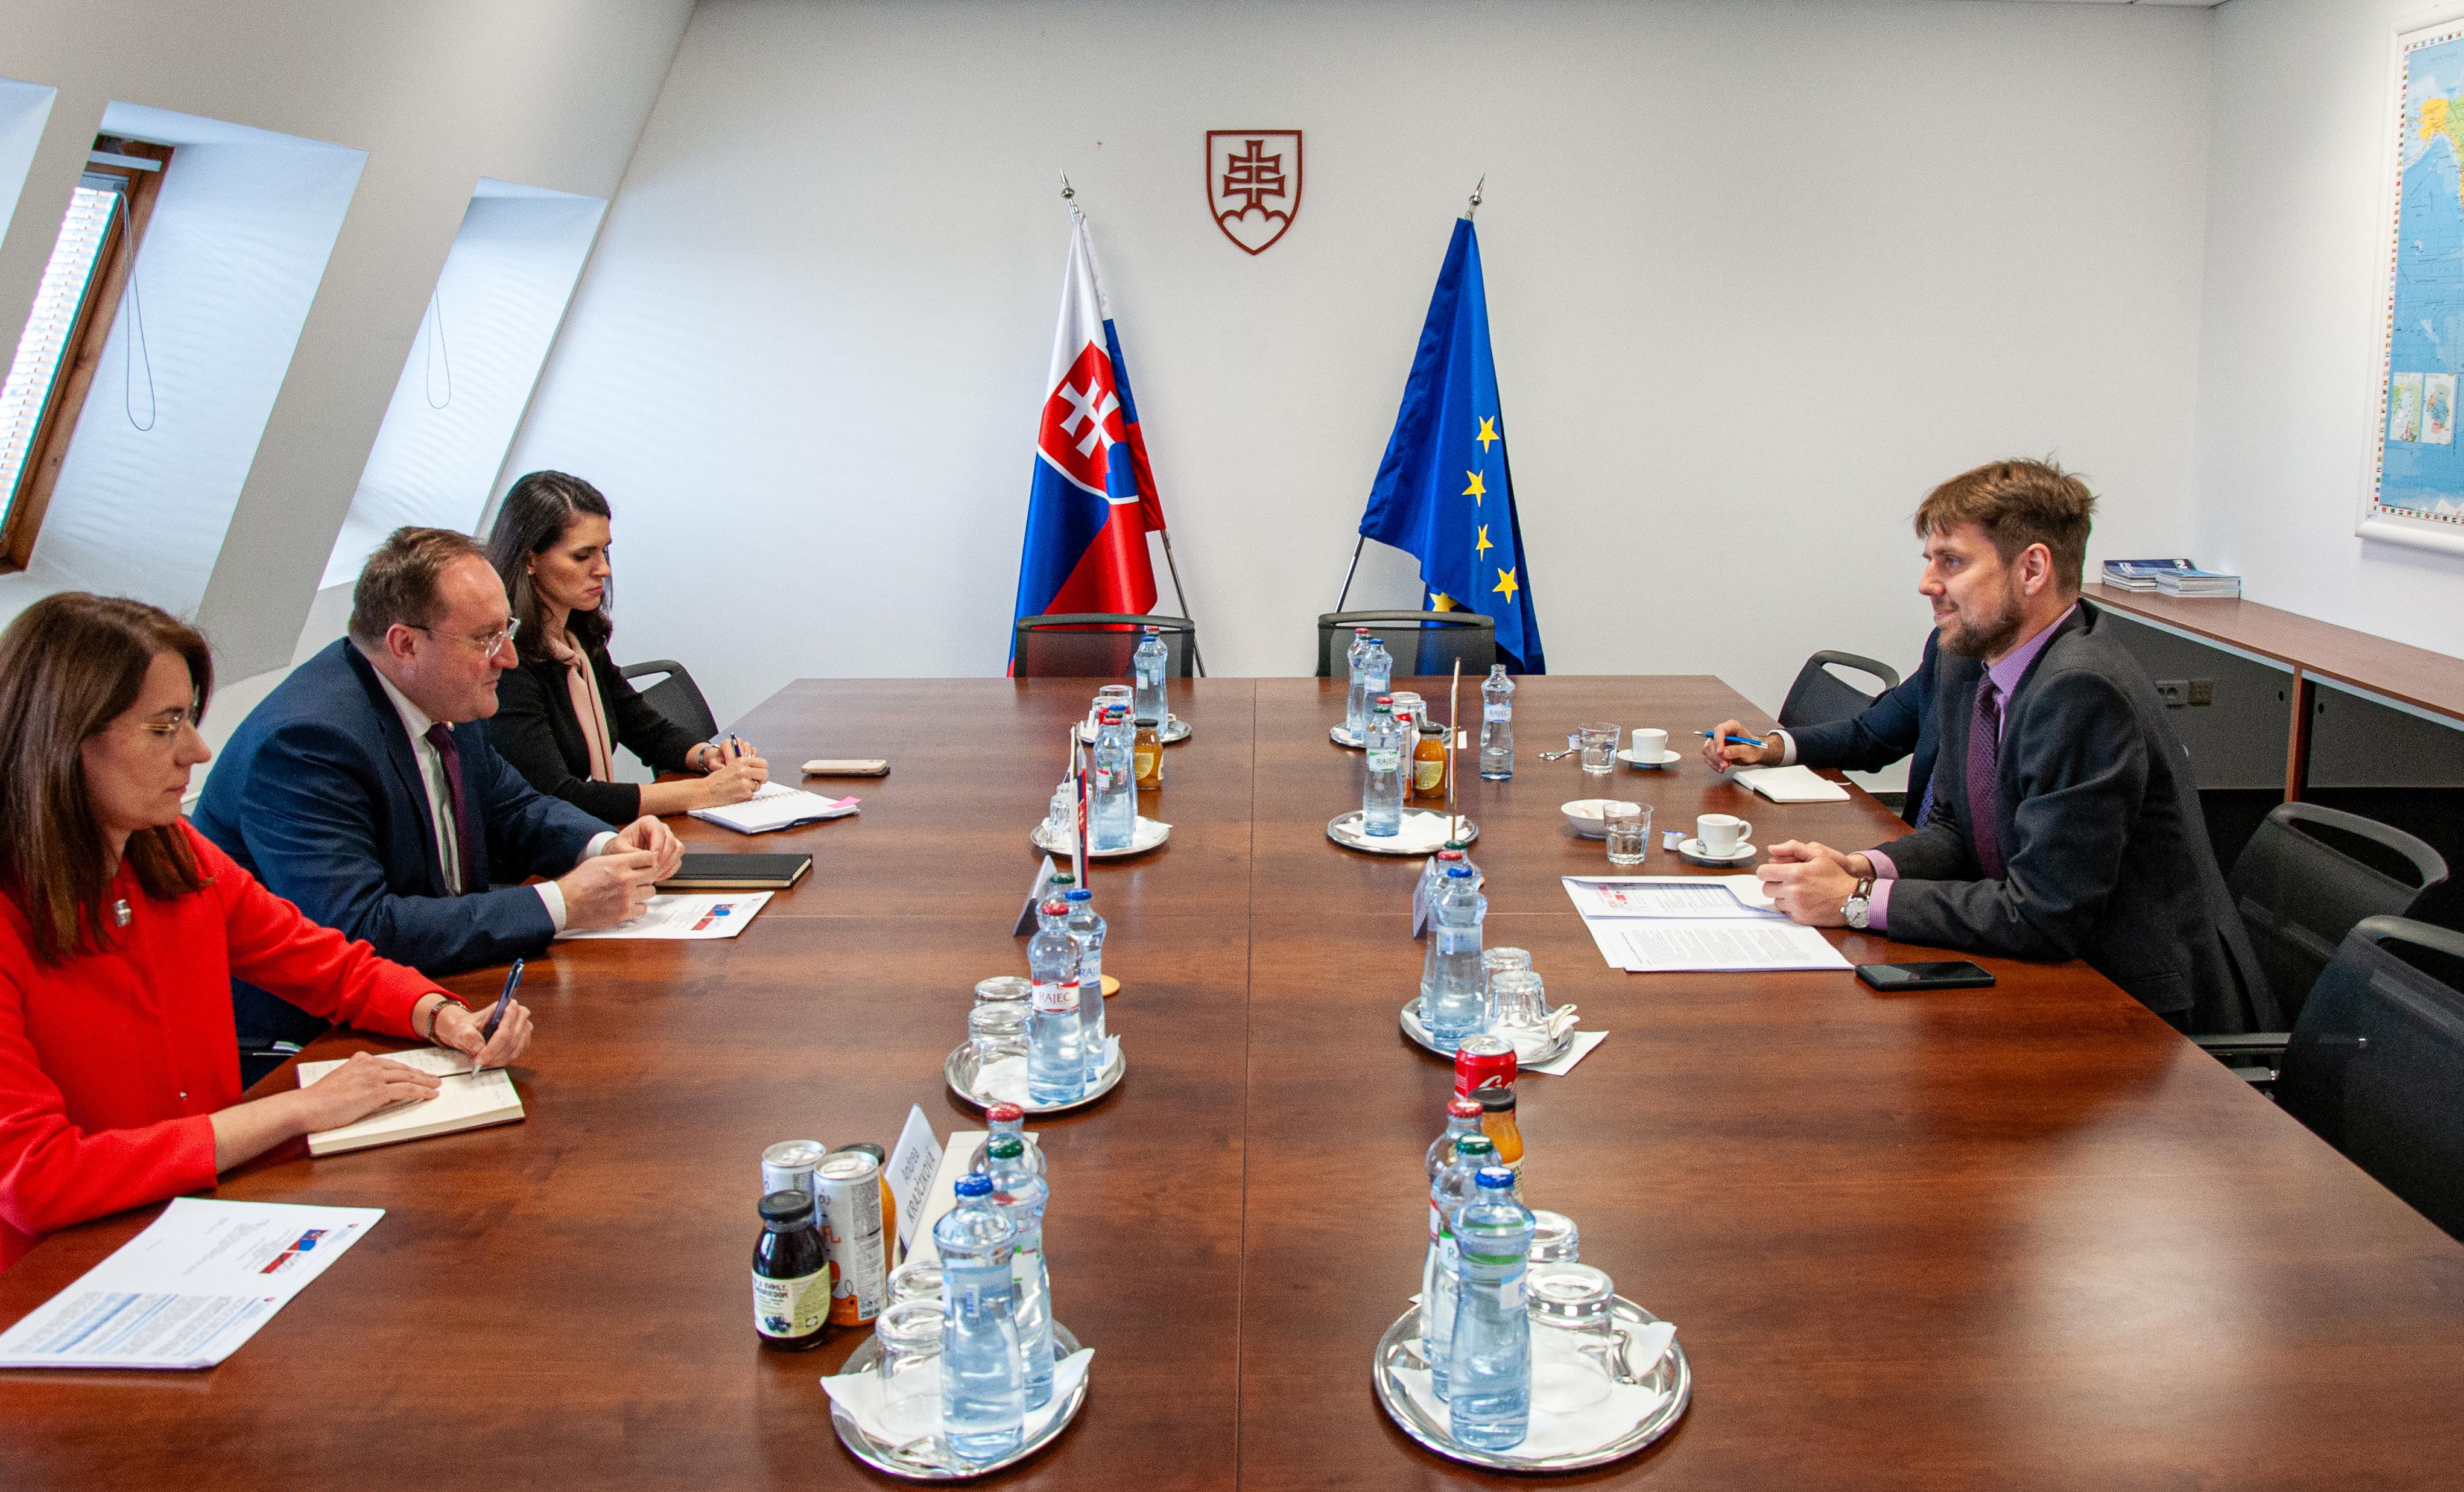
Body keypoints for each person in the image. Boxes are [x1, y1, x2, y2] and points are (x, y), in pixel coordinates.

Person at [0, 594, 534, 1270]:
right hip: (61, 1270)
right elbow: (37, 1178)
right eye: (164, 728)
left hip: (200, 1221)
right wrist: (296, 1109)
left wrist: (439, 1015)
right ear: (61, 740)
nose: (197, 751)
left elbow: (325, 963)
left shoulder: (175, 854)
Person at [1756, 459, 2267, 1034]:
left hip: (2142, 1016)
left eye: (1951, 561)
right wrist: (1861, 866)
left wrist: (1854, 900)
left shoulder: (2082, 690)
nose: (1927, 583)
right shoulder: (1969, 662)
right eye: (1929, 560)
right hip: (2056, 974)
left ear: (2032, 569)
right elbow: (1955, 831)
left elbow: (2043, 913)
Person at [193, 527, 682, 1054]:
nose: (508, 657)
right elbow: (359, 929)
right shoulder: (308, 742)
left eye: (506, 630)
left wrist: (606, 845)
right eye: (486, 638)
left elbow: (514, 806)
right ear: (405, 644)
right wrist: (560, 903)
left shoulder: (444, 691)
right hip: (317, 1041)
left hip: (440, 990)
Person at [480, 470, 768, 826]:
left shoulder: (579, 640)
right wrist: (707, 791)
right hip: (542, 850)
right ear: (530, 560)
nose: (603, 569)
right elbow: (559, 796)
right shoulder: (508, 662)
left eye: (604, 551)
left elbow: (646, 730)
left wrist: (707, 756)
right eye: (582, 556)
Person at [1702, 632, 1942, 826]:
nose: (1926, 589)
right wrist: (1764, 748)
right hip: (1913, 849)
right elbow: (1868, 735)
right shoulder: (1944, 651)